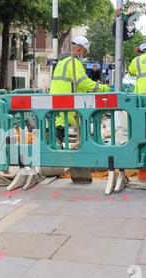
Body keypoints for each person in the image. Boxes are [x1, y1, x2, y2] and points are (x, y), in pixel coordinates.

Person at [50, 36, 111, 183]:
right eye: (84, 53)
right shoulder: (74, 62)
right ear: (79, 49)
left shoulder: (61, 62)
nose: (84, 56)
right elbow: (82, 83)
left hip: (56, 101)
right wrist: (102, 88)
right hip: (69, 101)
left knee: (59, 129)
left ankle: (53, 160)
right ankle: (85, 165)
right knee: (82, 132)